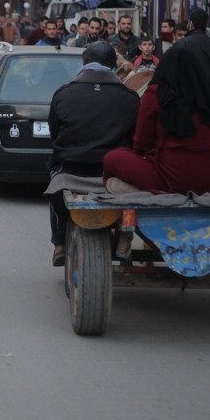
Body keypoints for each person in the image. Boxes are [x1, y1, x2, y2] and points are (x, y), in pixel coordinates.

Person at [48, 42, 139, 265]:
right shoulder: (130, 98)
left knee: (52, 170)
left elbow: (55, 133)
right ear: (113, 65)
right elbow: (136, 139)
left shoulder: (63, 94)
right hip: (113, 174)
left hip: (71, 169)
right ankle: (124, 235)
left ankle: (60, 242)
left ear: (84, 63)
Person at [104, 45, 210, 195]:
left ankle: (142, 190)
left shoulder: (156, 93)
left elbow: (141, 143)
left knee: (112, 158)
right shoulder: (208, 95)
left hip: (172, 177)